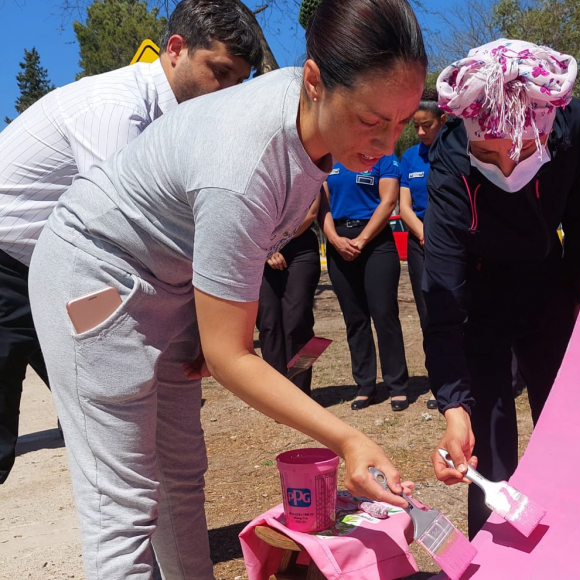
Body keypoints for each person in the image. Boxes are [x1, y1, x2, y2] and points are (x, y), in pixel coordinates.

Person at [27, 0, 426, 578]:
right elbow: (231, 354)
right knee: (124, 503)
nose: (388, 146)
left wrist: (197, 320)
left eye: (402, 122)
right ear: (314, 81)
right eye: (372, 120)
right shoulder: (245, 162)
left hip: (168, 281)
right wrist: (347, 438)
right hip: (92, 275)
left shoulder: (308, 114)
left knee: (182, 477)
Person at [0, 0, 261, 486]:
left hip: (54, 270)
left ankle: (144, 545)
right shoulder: (117, 110)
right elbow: (130, 238)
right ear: (176, 50)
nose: (228, 92)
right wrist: (206, 328)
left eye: (238, 82)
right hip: (8, 268)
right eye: (220, 73)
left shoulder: (182, 122)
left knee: (122, 410)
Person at [424, 39, 580, 536]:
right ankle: (494, 545)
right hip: (481, 290)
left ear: (545, 131)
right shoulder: (449, 156)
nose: (506, 169)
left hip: (549, 278)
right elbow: (441, 288)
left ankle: (577, 529)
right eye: (487, 153)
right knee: (488, 429)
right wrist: (453, 404)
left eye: (522, 151)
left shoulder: (574, 127)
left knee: (564, 418)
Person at [320, 154, 411, 411]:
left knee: (384, 313)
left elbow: (389, 201)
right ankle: (365, 385)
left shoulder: (384, 159)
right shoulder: (330, 160)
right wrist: (335, 239)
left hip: (376, 243)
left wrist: (361, 240)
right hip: (338, 241)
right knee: (354, 318)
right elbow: (322, 205)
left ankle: (397, 385)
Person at [398, 88, 446, 410]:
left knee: (457, 310)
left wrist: (441, 236)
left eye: (426, 125)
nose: (420, 132)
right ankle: (438, 382)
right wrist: (424, 233)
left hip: (453, 243)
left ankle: (465, 377)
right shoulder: (409, 158)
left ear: (443, 120)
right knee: (428, 315)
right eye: (415, 125)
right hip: (420, 243)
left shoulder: (457, 150)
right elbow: (403, 206)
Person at [255, 200, 322, 395]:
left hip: (301, 249)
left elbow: (311, 213)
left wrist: (276, 244)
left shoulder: (309, 170)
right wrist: (267, 249)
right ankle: (277, 395)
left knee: (298, 320)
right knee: (269, 324)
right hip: (261, 250)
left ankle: (301, 391)